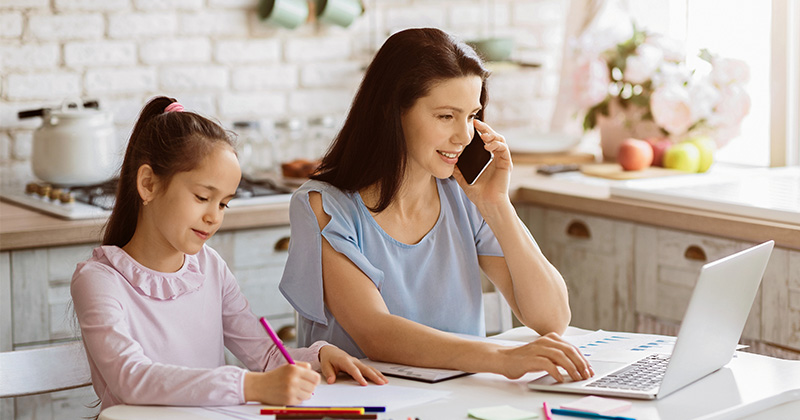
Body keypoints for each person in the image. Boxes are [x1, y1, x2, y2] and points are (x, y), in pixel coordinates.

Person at [279, 28, 594, 383]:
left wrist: (497, 205)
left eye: (471, 115)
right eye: (446, 116)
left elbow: (552, 319)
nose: (464, 136)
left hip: (456, 398)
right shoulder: (324, 207)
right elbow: (376, 333)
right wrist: (501, 358)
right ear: (392, 111)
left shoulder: (465, 196)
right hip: (366, 401)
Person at [71, 96, 386, 412]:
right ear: (149, 184)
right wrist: (248, 386)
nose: (214, 217)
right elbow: (130, 378)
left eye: (223, 204)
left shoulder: (210, 267)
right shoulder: (99, 279)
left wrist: (319, 356)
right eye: (202, 197)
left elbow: (266, 355)